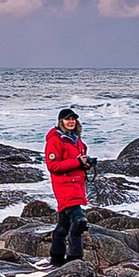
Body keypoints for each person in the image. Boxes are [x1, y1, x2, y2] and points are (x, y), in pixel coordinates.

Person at [45, 106, 90, 264]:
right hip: (64, 186)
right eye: (67, 119)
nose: (71, 121)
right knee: (79, 222)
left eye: (73, 119)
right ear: (60, 121)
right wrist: (77, 162)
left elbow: (79, 161)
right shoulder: (55, 141)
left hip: (77, 185)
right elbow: (53, 166)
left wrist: (86, 164)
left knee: (64, 223)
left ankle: (56, 258)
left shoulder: (76, 139)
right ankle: (75, 260)